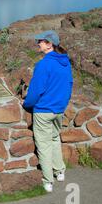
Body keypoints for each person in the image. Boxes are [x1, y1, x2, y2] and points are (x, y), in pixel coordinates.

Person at [23, 30, 73, 193]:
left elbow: (36, 90)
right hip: (59, 109)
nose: (38, 43)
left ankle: (48, 180)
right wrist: (62, 104)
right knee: (54, 139)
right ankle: (60, 171)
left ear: (49, 44)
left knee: (43, 145)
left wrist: (27, 104)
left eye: (41, 41)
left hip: (44, 110)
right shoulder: (65, 62)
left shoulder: (44, 64)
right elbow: (69, 85)